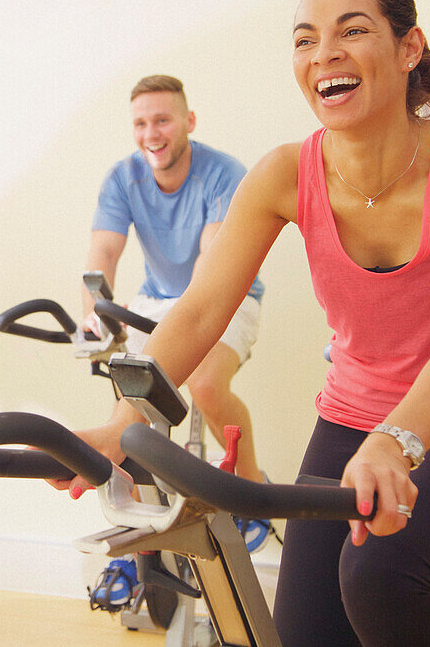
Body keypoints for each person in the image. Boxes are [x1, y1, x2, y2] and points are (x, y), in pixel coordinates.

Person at [58, 0, 430, 646]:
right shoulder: (285, 173)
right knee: (307, 629)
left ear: (409, 48)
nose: (324, 54)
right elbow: (202, 309)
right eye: (305, 39)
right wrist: (124, 419)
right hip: (355, 413)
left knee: (379, 571)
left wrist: (395, 441)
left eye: (352, 30)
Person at [80, 74, 269, 608]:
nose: (151, 134)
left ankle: (251, 493)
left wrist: (179, 338)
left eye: (162, 120)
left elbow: (213, 269)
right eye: (141, 123)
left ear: (188, 121)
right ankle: (139, 543)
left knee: (206, 384)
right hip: (156, 299)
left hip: (227, 293)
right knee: (128, 402)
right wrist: (94, 313)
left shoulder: (223, 174)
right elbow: (103, 255)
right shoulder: (123, 177)